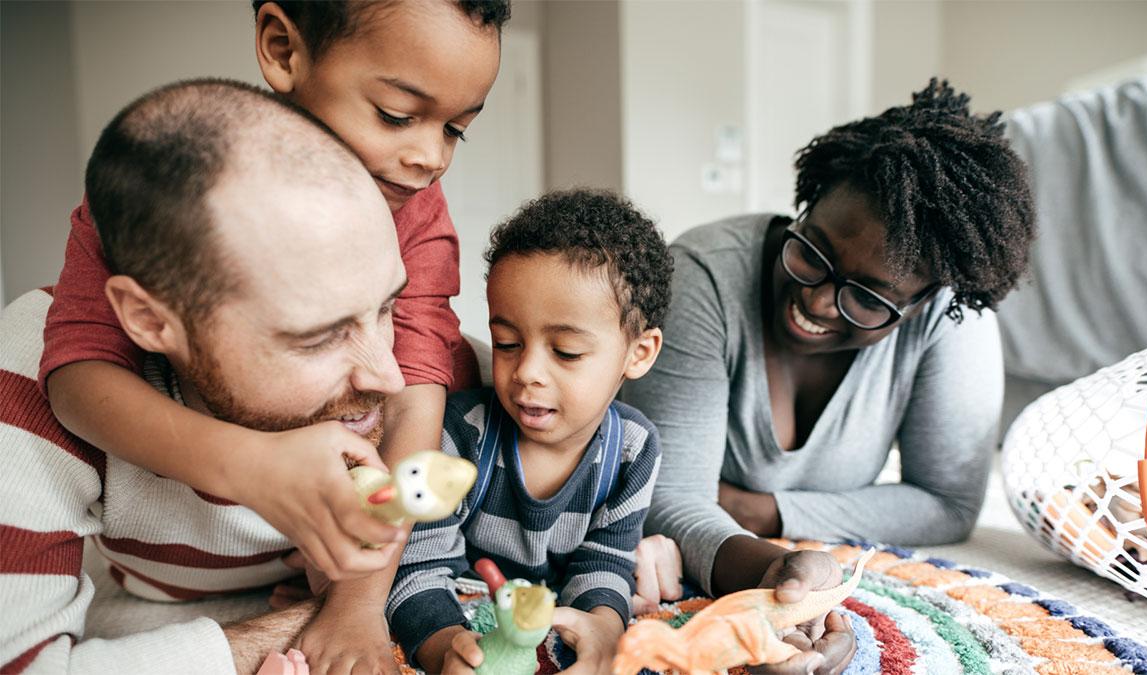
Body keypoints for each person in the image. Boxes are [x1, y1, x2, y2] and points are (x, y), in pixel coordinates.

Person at [36, 0, 507, 670]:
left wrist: (355, 603)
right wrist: (247, 465)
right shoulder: (166, 198)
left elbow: (415, 397)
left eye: (458, 129)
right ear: (284, 49)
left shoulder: (418, 212)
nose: (431, 157)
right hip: (176, 583)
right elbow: (76, 373)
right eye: (397, 115)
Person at [623, 79, 1035, 673]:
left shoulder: (949, 321)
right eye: (811, 251)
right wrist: (772, 573)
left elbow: (947, 503)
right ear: (809, 203)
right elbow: (667, 496)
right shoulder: (703, 277)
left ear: (923, 303)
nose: (815, 303)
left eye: (868, 299)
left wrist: (764, 511)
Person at [1, 79, 408, 673]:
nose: (389, 377)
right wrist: (291, 633)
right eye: (321, 336)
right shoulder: (28, 366)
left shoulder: (460, 376)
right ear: (148, 320)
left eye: (387, 308)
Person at [387, 191, 670, 675]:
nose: (527, 373)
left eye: (566, 352)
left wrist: (602, 627)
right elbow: (415, 568)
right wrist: (442, 646)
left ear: (638, 353)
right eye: (508, 343)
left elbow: (603, 566)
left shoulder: (632, 450)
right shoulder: (459, 436)